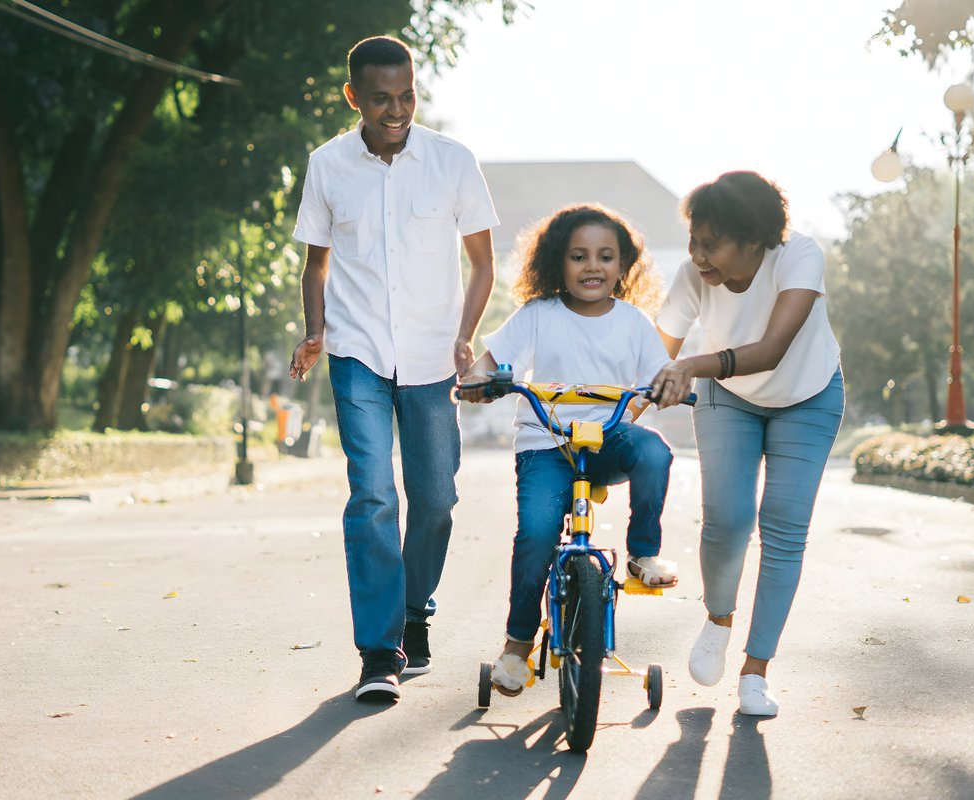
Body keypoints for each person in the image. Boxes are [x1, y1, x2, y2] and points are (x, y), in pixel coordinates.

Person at [288, 35, 498, 701]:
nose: (397, 109)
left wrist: (466, 337)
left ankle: (415, 613)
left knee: (435, 499)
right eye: (381, 99)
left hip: (434, 355)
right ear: (354, 97)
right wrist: (316, 332)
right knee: (374, 494)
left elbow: (483, 262)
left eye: (406, 95)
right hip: (357, 354)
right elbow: (316, 261)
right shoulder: (327, 165)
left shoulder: (452, 161)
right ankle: (381, 651)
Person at [458, 204, 677, 697]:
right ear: (558, 262)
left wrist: (669, 386)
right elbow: (492, 361)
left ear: (623, 266)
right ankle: (517, 645)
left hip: (606, 438)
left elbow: (660, 374)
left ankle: (643, 554)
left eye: (605, 256)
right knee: (536, 534)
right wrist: (478, 379)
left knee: (655, 453)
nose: (592, 267)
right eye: (579, 256)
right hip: (546, 443)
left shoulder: (635, 323)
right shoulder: (538, 315)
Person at [649, 171, 844, 717]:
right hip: (727, 398)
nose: (697, 255)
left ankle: (756, 670)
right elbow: (654, 354)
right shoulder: (694, 276)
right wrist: (623, 409)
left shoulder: (798, 257)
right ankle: (718, 618)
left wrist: (689, 364)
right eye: (693, 240)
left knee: (783, 525)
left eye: (711, 243)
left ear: (754, 240)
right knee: (728, 519)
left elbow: (773, 349)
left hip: (808, 395)